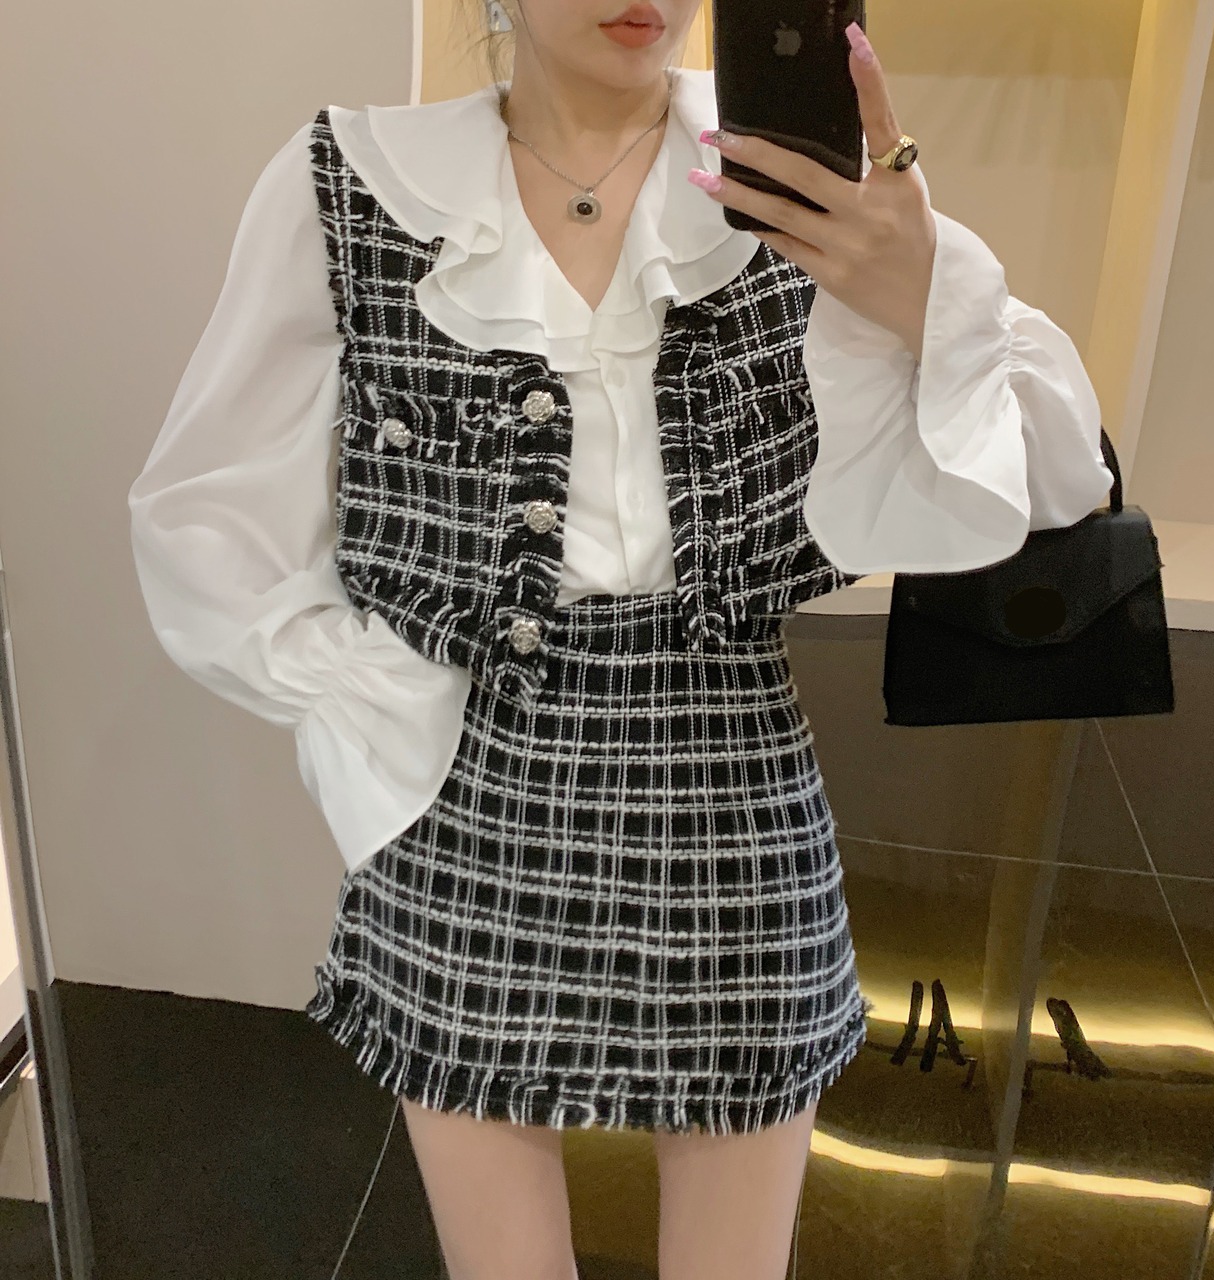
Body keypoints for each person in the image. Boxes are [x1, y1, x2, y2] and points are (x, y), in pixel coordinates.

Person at [127, 2, 1115, 1277]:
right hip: (464, 804)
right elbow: (207, 510)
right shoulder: (354, 183)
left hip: (731, 787)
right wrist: (363, 706)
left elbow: (1060, 477)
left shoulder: (794, 178)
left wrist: (932, 296)